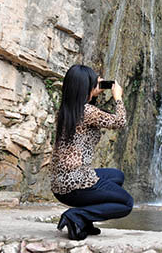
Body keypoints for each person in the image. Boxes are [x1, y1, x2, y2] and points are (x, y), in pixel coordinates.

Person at [50, 64, 133, 240]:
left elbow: (93, 115)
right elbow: (119, 121)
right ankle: (77, 216)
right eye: (95, 82)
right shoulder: (87, 112)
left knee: (116, 176)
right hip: (76, 183)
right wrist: (117, 97)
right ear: (84, 87)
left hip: (61, 183)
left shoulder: (68, 109)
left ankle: (84, 221)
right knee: (126, 203)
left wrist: (94, 92)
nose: (99, 83)